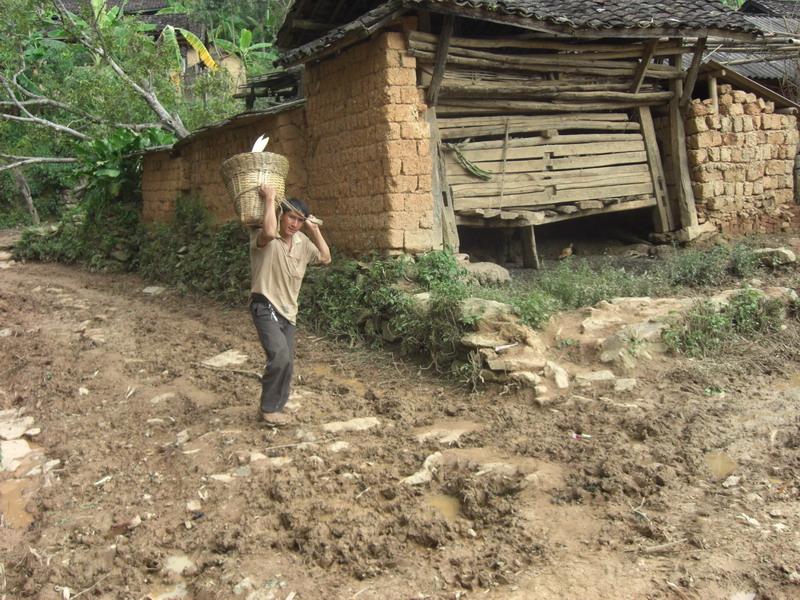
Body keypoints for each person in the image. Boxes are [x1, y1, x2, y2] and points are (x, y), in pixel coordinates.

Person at [249, 184, 331, 426]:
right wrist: (270, 200)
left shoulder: (302, 243)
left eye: (299, 220)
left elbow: (326, 258)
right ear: (280, 215)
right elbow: (270, 231)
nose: (294, 224)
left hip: (289, 312)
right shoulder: (263, 237)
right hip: (265, 306)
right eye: (290, 217)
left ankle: (274, 408)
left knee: (287, 363)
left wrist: (314, 230)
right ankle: (267, 410)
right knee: (280, 356)